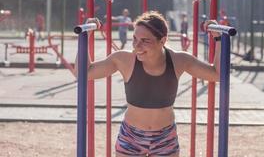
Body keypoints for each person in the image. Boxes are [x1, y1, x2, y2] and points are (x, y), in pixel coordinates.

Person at [75, 11, 221, 157]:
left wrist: (219, 39)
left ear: (162, 41)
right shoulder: (125, 59)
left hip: (165, 138)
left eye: (145, 41)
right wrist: (85, 36)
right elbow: (82, 73)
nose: (137, 46)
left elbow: (217, 74)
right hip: (131, 137)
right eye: (134, 39)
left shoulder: (178, 60)